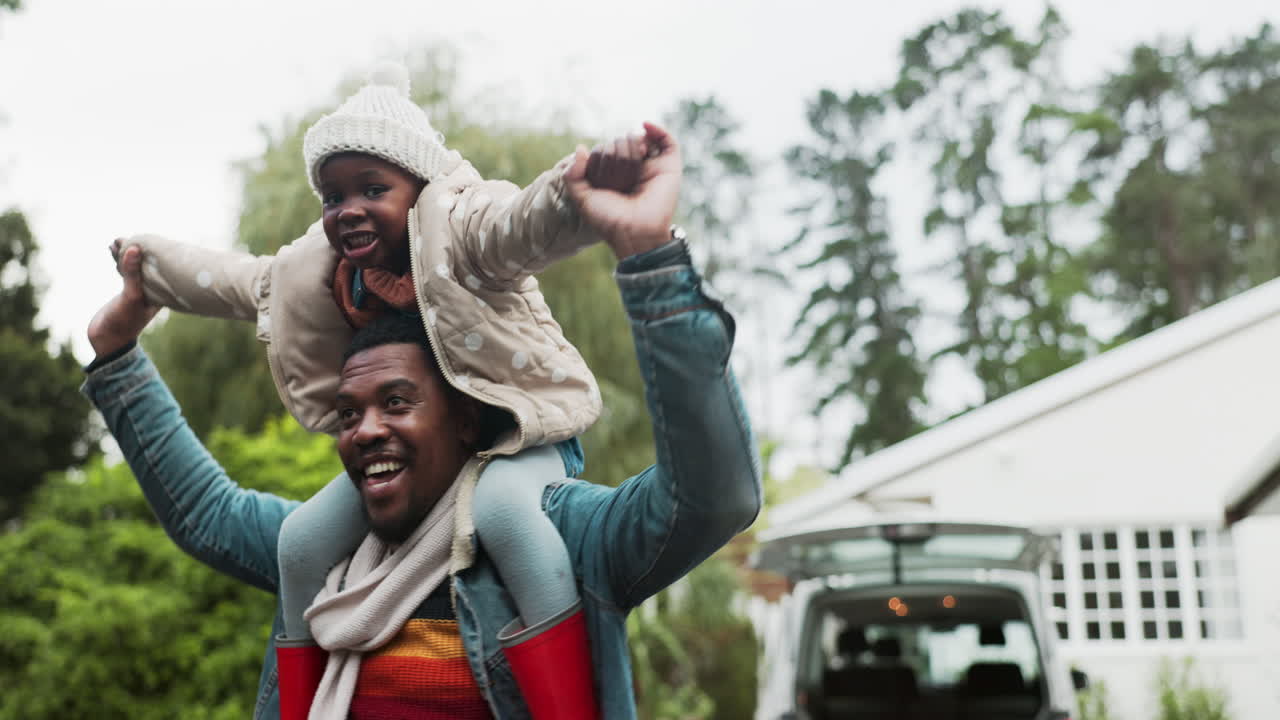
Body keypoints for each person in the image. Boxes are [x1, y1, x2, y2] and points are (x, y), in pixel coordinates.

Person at [84, 116, 761, 719]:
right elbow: (206, 512)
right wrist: (116, 351)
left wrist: (648, 260)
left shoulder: (569, 539)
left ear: (466, 415)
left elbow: (712, 498)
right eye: (347, 414)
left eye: (396, 403)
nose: (366, 429)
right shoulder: (332, 560)